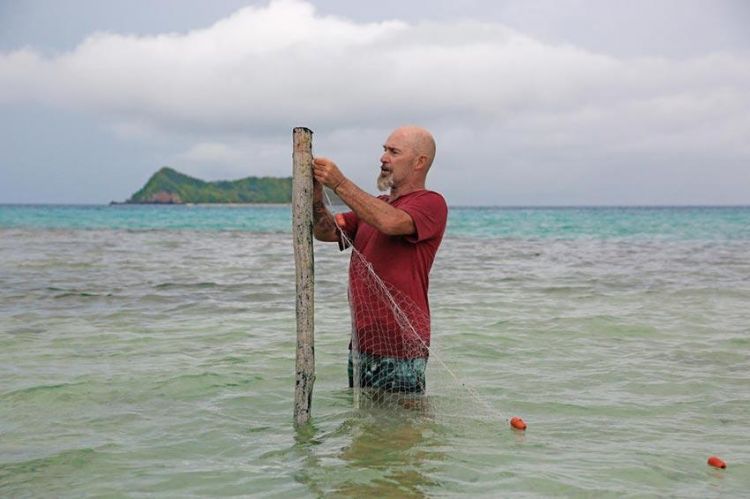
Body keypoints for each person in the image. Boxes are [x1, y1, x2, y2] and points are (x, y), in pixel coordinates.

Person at [312, 125, 447, 394]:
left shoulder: (431, 203)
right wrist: (315, 190)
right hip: (363, 342)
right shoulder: (373, 207)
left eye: (394, 151)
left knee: (403, 430)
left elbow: (390, 222)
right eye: (384, 150)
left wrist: (339, 183)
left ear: (419, 162)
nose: (383, 158)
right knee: (365, 430)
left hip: (402, 346)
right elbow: (324, 231)